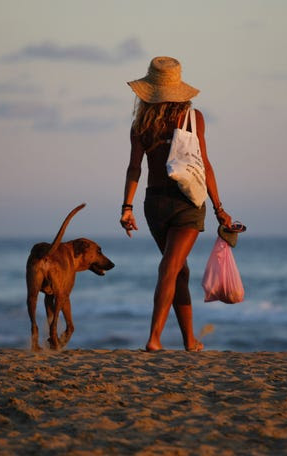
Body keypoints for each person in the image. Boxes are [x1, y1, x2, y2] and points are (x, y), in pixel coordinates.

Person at [120, 56, 232, 352]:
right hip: (186, 203)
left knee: (178, 270)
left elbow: (134, 169)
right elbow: (203, 164)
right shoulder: (194, 120)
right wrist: (219, 208)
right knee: (171, 268)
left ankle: (189, 340)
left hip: (154, 205)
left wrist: (127, 207)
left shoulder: (140, 125)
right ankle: (154, 338)